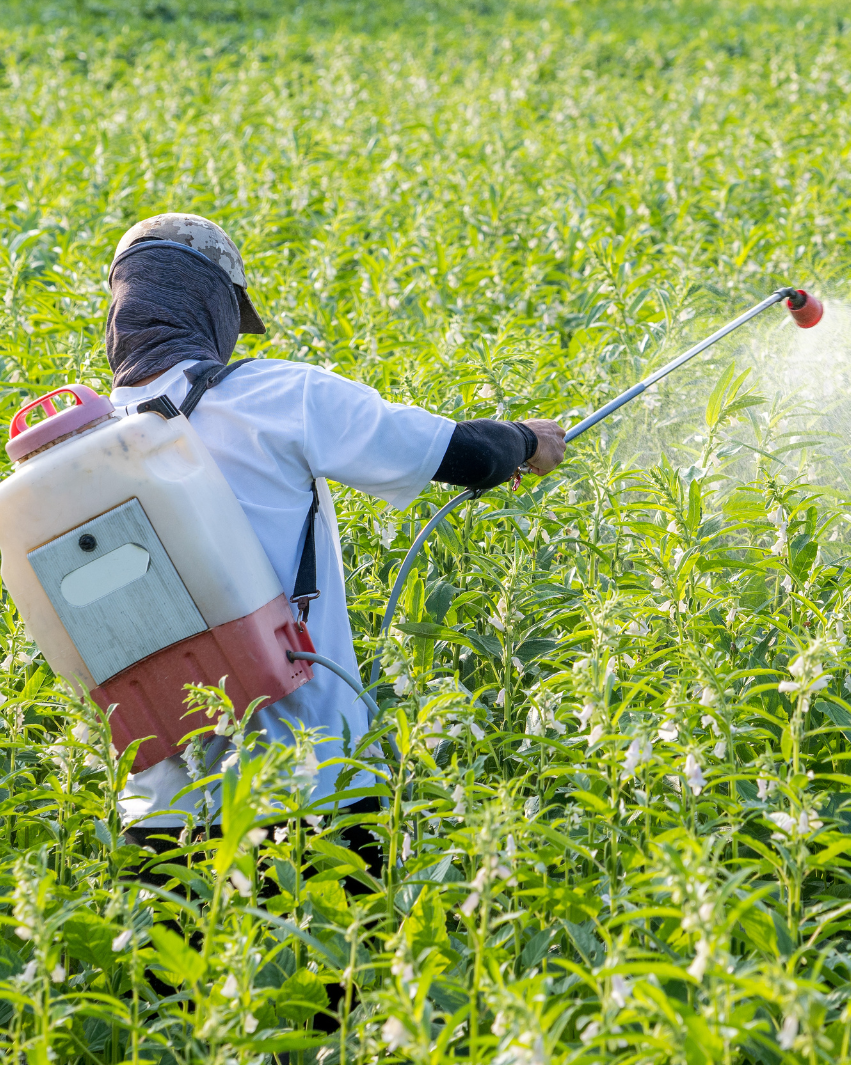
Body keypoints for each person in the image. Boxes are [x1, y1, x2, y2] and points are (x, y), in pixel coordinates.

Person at [103, 213, 565, 867]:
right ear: (212, 305)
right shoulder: (275, 395)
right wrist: (526, 440)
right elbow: (459, 453)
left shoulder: (75, 447)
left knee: (179, 975)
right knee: (339, 969)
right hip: (314, 787)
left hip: (164, 813)